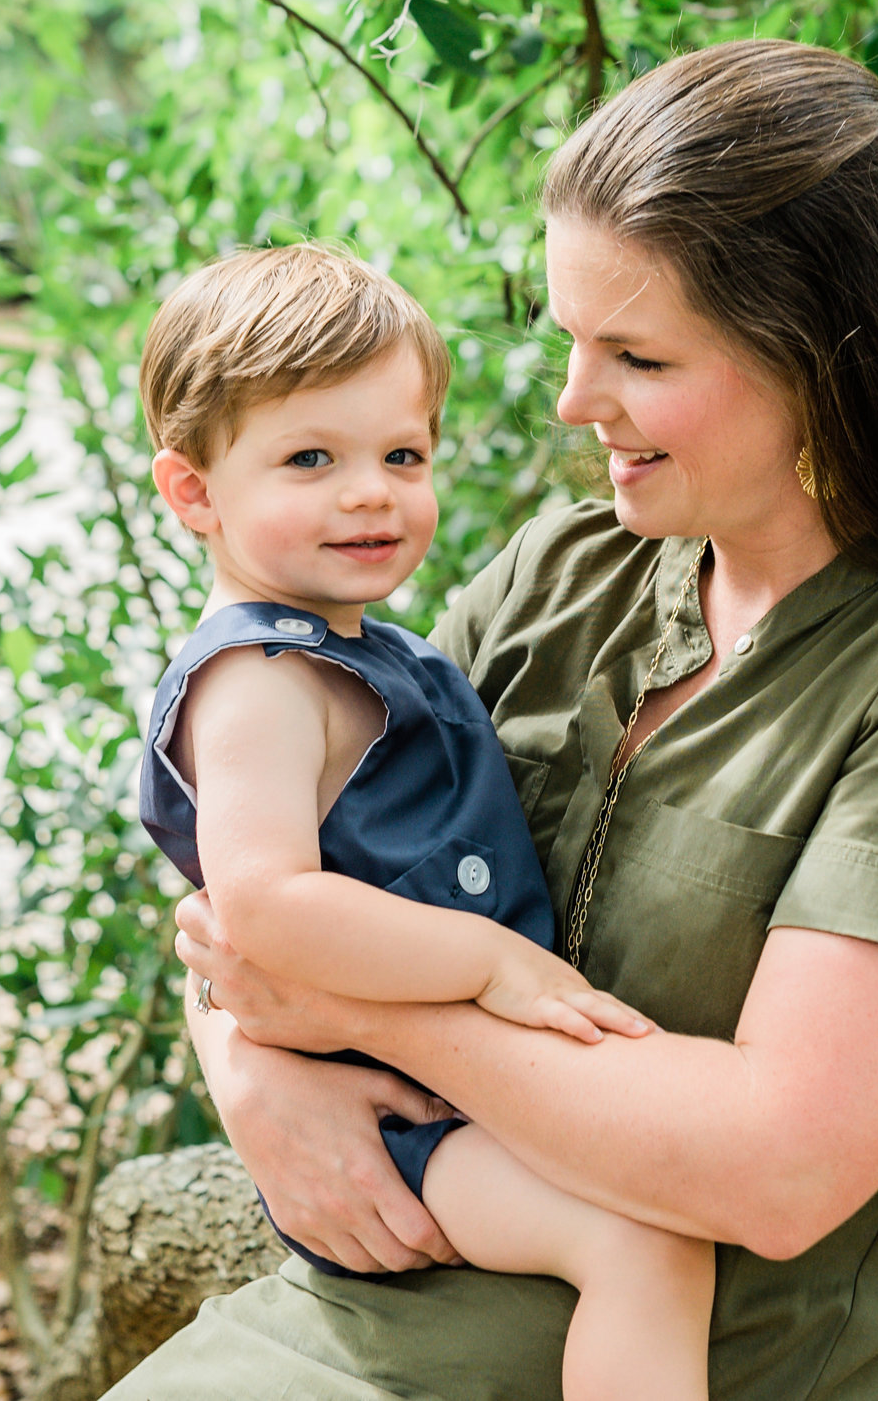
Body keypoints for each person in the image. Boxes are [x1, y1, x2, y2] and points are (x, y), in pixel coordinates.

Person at [114, 39, 878, 1401]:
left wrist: (389, 1015)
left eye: (636, 355)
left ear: (826, 366)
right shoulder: (561, 573)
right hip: (366, 1325)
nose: (572, 402)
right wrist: (250, 1072)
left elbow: (774, 1169)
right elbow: (253, 892)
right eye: (572, 342)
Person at [136, 243, 718, 1401]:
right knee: (643, 1245)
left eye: (401, 453)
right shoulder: (255, 680)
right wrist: (490, 962)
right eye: (312, 457)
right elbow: (258, 904)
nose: (371, 491)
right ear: (194, 490)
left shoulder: (366, 649)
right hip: (403, 1121)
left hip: (460, 1092)